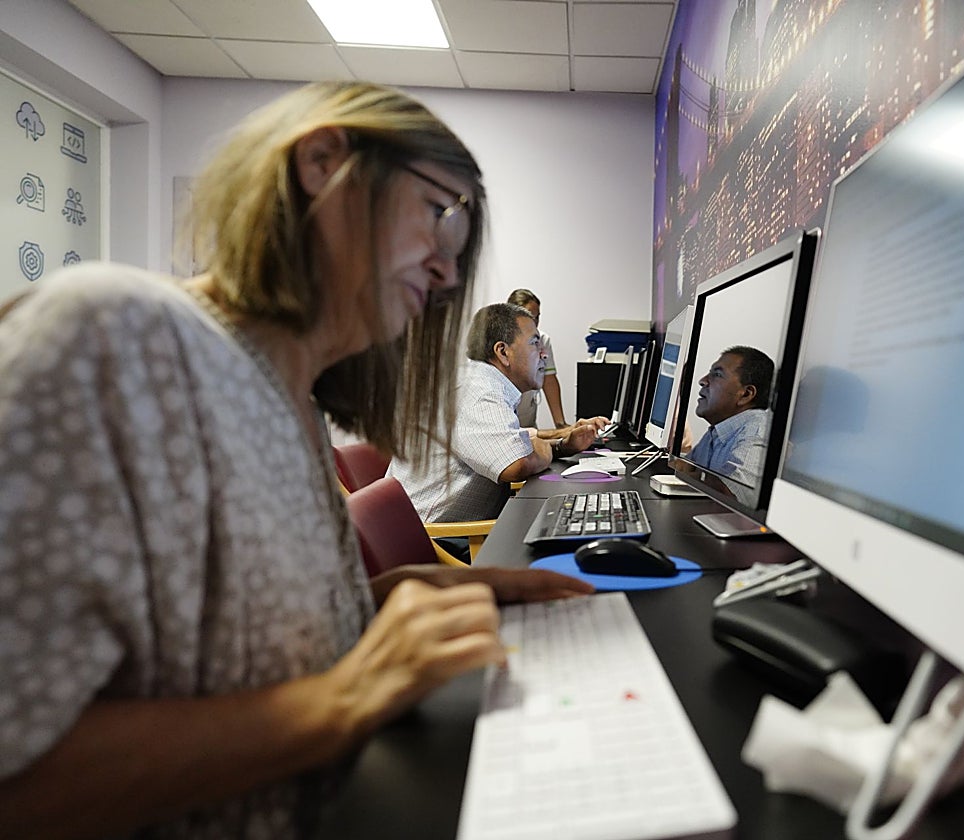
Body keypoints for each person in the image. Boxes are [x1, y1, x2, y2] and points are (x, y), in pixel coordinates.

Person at [0, 81, 593, 840]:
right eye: (438, 217)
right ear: (322, 164)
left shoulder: (290, 399)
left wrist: (395, 595)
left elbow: (231, 649)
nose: (446, 275)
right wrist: (345, 700)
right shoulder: (108, 335)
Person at [389, 302, 608, 523]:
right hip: (430, 537)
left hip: (435, 528)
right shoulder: (479, 390)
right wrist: (544, 449)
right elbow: (516, 463)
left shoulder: (481, 380)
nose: (544, 355)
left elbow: (512, 440)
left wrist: (562, 445)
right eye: (535, 344)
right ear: (503, 352)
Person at [688, 346, 775, 500]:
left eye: (717, 375)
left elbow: (729, 494)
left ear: (746, 394)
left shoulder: (758, 430)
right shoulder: (717, 431)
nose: (703, 381)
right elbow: (686, 467)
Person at [506, 288, 569, 429]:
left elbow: (549, 380)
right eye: (530, 317)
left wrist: (560, 424)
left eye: (537, 317)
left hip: (528, 424)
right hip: (503, 427)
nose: (534, 322)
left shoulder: (542, 340)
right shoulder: (499, 343)